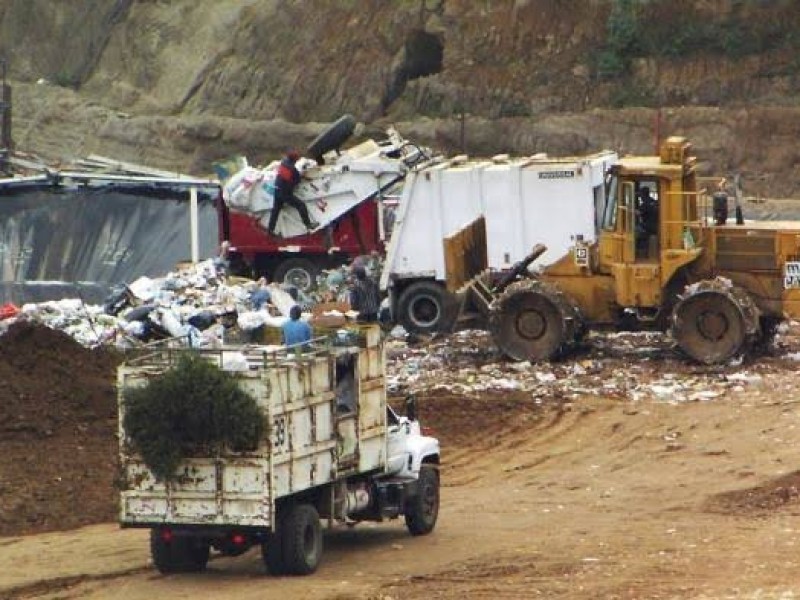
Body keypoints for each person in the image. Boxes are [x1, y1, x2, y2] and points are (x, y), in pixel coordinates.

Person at [267, 150, 319, 236]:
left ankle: (270, 230)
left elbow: (290, 177)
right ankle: (309, 225)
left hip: (277, 189)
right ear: (294, 160)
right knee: (301, 205)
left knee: (275, 210)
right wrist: (302, 176)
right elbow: (297, 180)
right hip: (285, 193)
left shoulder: (283, 163)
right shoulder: (292, 169)